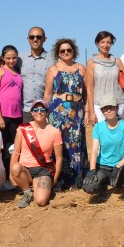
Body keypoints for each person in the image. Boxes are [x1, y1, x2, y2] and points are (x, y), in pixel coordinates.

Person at [44, 38, 88, 189]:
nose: (66, 53)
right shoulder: (53, 69)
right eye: (62, 51)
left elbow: (88, 93)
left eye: (69, 50)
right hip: (57, 110)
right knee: (58, 144)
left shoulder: (81, 68)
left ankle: (75, 181)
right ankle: (59, 180)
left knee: (75, 144)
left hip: (77, 110)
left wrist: (88, 111)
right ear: (58, 53)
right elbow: (48, 94)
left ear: (73, 51)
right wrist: (44, 113)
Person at [83, 95, 124, 205]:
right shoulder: (98, 127)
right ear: (102, 111)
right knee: (88, 187)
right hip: (103, 167)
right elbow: (95, 150)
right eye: (105, 108)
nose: (109, 110)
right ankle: (103, 185)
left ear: (116, 108)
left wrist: (119, 166)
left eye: (111, 107)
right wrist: (92, 170)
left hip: (120, 168)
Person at [11, 100, 63, 207]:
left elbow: (59, 159)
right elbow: (16, 153)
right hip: (25, 169)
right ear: (32, 113)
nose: (39, 112)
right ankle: (27, 193)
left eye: (42, 109)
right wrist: (11, 174)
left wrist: (55, 179)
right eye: (36, 109)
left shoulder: (55, 132)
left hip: (42, 169)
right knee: (16, 168)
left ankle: (39, 187)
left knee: (41, 201)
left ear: (46, 112)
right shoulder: (23, 129)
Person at [85, 31, 124, 124]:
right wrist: (91, 112)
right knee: (102, 135)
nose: (105, 45)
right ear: (97, 43)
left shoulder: (117, 62)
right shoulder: (91, 63)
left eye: (108, 42)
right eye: (102, 42)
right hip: (99, 105)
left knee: (118, 134)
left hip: (118, 104)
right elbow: (90, 89)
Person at [0, 45, 23, 176]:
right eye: (8, 58)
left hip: (16, 115)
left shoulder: (18, 73)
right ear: (3, 58)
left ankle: (10, 177)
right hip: (2, 115)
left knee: (12, 147)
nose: (11, 60)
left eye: (14, 58)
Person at [19, 26, 51, 122]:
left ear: (44, 39)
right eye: (32, 37)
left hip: (44, 111)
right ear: (28, 39)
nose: (35, 39)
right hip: (25, 111)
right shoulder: (19, 58)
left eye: (38, 37)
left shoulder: (53, 59)